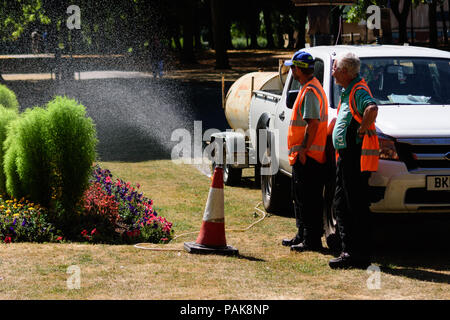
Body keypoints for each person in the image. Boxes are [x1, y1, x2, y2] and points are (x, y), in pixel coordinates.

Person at [329, 52, 379, 269]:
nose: (332, 72)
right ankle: (348, 249)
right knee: (341, 202)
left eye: (335, 68)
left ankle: (358, 254)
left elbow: (372, 108)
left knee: (354, 204)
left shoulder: (358, 89)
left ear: (346, 71)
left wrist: (362, 128)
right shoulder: (347, 89)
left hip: (355, 159)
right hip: (346, 157)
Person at [281, 50, 329, 252]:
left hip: (308, 157)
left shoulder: (310, 91)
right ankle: (302, 234)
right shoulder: (308, 88)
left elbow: (313, 124)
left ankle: (311, 240)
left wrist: (303, 148)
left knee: (309, 199)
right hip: (303, 156)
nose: (290, 70)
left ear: (299, 70)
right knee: (300, 197)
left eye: (293, 67)